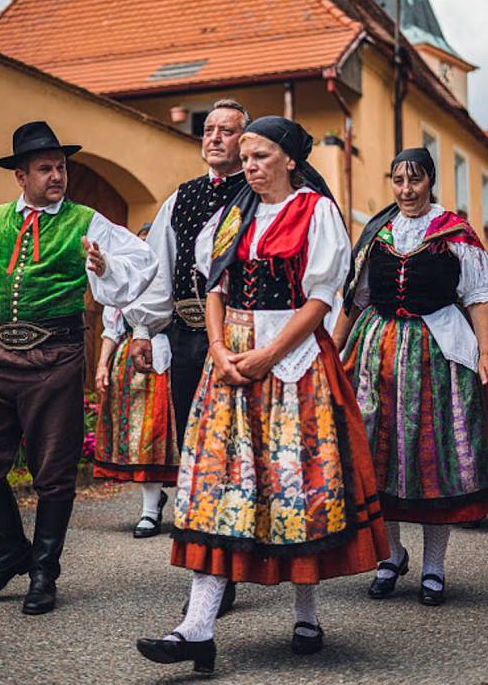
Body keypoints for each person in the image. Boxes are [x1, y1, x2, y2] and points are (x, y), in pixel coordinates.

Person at [136, 117, 389, 674]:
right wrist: (222, 350)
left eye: (261, 155)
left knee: (293, 485)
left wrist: (268, 355)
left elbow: (321, 300)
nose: (249, 165)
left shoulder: (315, 212)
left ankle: (306, 613)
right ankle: (196, 627)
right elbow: (215, 289)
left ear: (291, 160)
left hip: (294, 360)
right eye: (245, 156)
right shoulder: (231, 216)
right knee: (219, 486)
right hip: (232, 362)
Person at [0, 121, 158, 615]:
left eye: (61, 166)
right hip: (0, 359)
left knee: (53, 470)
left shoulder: (88, 221)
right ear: (20, 175)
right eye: (45, 168)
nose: (57, 176)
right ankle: (10, 554)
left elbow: (143, 262)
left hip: (56, 358)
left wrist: (103, 266)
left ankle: (44, 570)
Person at [335, 147, 488, 606]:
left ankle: (435, 567)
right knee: (376, 453)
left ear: (431, 182)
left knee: (431, 459)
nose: (406, 190)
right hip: (375, 351)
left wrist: (486, 352)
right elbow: (355, 298)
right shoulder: (378, 232)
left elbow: (478, 296)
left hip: (435, 353)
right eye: (398, 180)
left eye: (415, 180)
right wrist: (333, 351)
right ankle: (392, 554)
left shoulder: (454, 234)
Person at [126, 99, 251, 613]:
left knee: (233, 451)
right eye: (209, 129)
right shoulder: (181, 197)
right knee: (192, 452)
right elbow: (158, 267)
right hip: (185, 336)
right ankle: (209, 568)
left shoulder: (258, 195)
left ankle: (232, 566)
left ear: (245, 143)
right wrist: (141, 328)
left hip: (243, 340)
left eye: (227, 131)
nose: (214, 137)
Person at [94, 305, 178, 537]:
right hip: (135, 359)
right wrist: (102, 364)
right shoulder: (126, 276)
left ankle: (188, 509)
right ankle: (150, 510)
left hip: (181, 346)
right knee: (145, 433)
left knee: (179, 433)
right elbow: (112, 325)